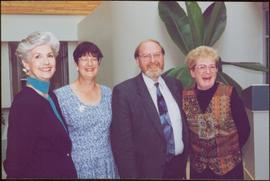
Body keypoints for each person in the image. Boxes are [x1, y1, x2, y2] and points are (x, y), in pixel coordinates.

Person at [110, 39, 189, 179]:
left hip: (177, 169)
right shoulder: (124, 92)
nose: (153, 60)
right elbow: (123, 146)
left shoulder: (175, 85)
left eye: (157, 54)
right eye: (146, 56)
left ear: (163, 57)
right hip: (147, 173)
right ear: (137, 61)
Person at [3, 31, 77, 178]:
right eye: (38, 56)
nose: (46, 62)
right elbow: (15, 163)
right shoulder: (25, 103)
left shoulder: (50, 96)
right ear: (26, 63)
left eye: (50, 55)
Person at [182, 45, 250, 179]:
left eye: (212, 67)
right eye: (202, 67)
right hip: (199, 170)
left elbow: (244, 129)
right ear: (192, 72)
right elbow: (185, 132)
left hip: (228, 169)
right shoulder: (184, 96)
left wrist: (228, 152)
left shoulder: (229, 93)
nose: (208, 71)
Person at [55, 41, 118, 179]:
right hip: (78, 166)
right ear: (76, 64)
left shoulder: (109, 93)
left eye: (94, 59)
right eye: (84, 59)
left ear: (99, 63)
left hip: (107, 164)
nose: (90, 63)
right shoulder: (61, 96)